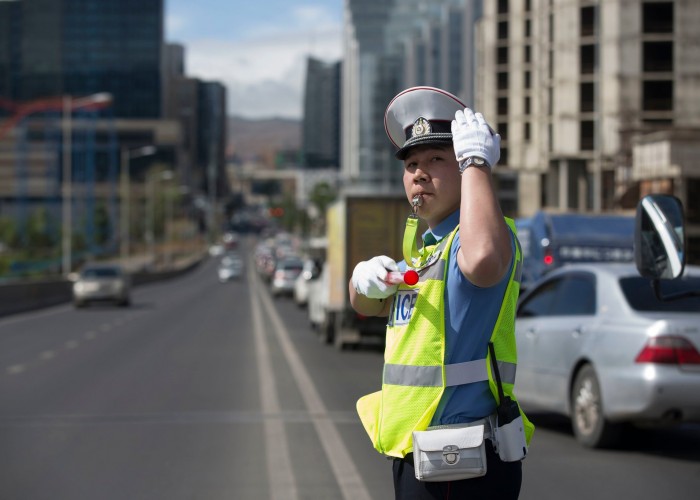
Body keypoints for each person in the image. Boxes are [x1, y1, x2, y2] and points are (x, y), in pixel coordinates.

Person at [349, 86, 534, 499]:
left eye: (437, 159)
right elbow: (367, 304)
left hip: (462, 464)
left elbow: (484, 259)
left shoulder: (479, 242)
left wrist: (477, 166)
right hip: (419, 457)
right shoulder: (426, 252)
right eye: (411, 163)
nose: (419, 172)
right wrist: (362, 280)